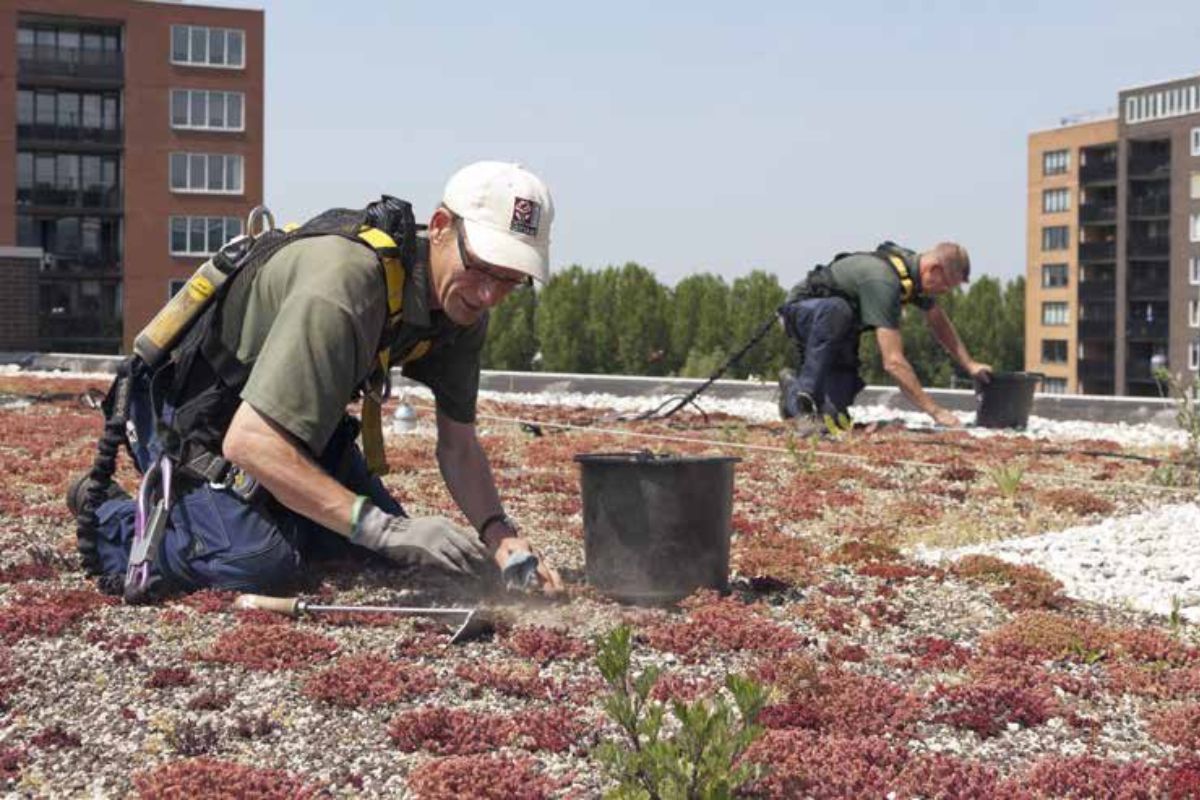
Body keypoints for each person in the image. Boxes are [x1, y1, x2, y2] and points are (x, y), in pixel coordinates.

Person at [69, 161, 562, 598]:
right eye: (481, 267)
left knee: (390, 553)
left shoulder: (463, 310)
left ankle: (268, 513)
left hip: (290, 426)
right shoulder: (344, 286)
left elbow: (458, 445)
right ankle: (110, 514)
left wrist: (500, 536)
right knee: (260, 562)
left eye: (510, 279)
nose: (489, 294)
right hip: (190, 418)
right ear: (439, 227)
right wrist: (384, 528)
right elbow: (249, 442)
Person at [777, 241, 992, 429]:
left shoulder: (911, 274)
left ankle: (791, 392)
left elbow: (937, 319)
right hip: (804, 313)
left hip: (839, 332)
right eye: (946, 285)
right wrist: (936, 412)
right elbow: (893, 362)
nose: (945, 292)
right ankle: (806, 397)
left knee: (833, 417)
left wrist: (970, 364)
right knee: (837, 310)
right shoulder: (884, 282)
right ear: (934, 269)